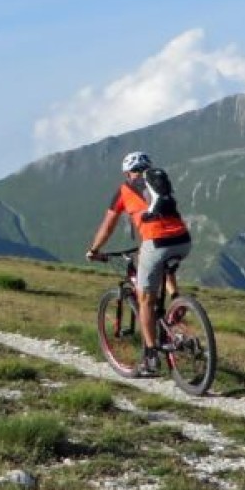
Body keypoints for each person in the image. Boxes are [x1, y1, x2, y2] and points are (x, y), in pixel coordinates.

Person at [86, 151, 192, 375]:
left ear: (127, 173)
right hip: (183, 240)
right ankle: (176, 300)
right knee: (162, 264)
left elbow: (107, 227)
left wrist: (94, 250)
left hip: (156, 242)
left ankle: (151, 357)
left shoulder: (124, 190)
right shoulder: (158, 183)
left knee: (145, 300)